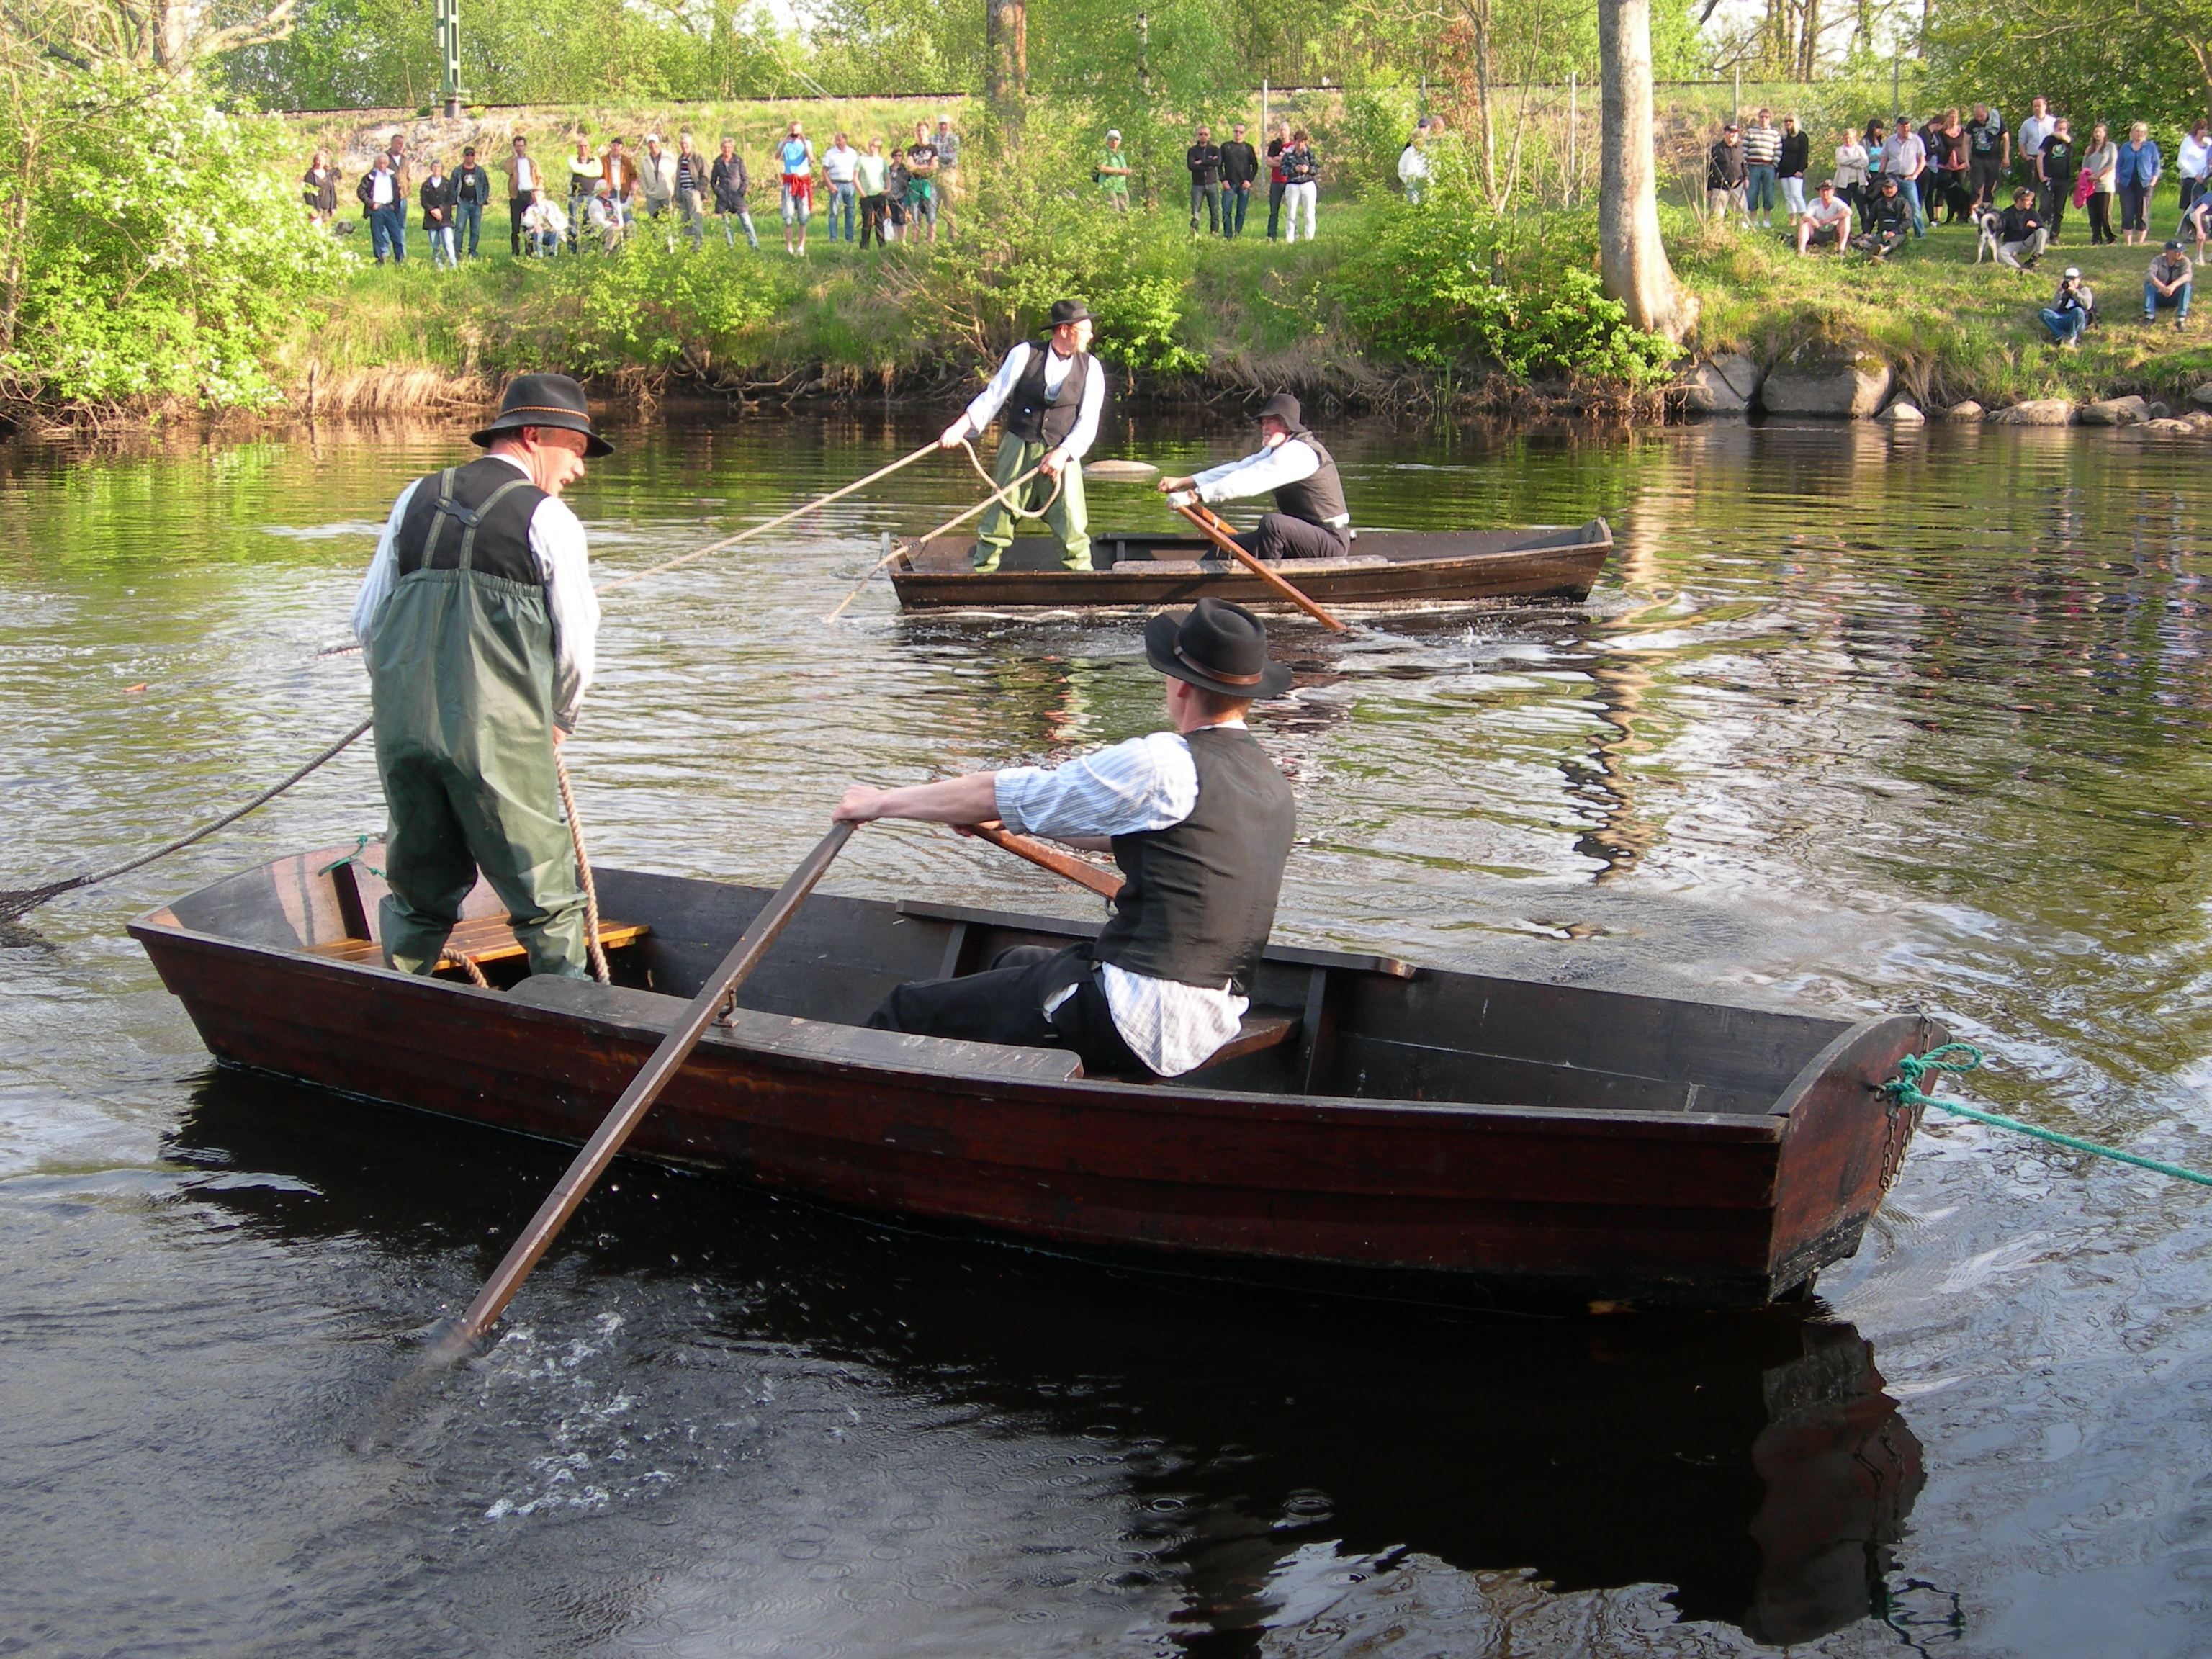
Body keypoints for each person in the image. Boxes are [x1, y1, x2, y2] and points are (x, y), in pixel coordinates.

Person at [833, 598, 1295, 1081]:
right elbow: (1122, 835)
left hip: (1136, 1018)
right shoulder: (1269, 781)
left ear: (1179, 685)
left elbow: (997, 791)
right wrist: (1010, 821)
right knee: (1019, 962)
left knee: (907, 1009)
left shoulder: (1164, 761)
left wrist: (877, 803)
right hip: (1211, 1017)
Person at [349, 374, 609, 981]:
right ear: (532, 435)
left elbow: (368, 621)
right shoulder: (550, 519)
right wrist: (560, 719)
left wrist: (405, 701)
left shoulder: (413, 497)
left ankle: (405, 997)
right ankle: (567, 1015)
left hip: (405, 734)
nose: (578, 469)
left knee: (418, 884)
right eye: (574, 449)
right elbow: (576, 646)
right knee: (544, 891)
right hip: (501, 739)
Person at [942, 298, 1105, 574]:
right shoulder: (1024, 354)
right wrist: (959, 429)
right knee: (998, 520)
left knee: (1073, 525)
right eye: (1085, 329)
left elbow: (1088, 423)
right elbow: (992, 397)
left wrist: (1063, 453)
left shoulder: (1092, 369)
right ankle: (982, 575)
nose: (1092, 336)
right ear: (1065, 330)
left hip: (1063, 454)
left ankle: (1082, 582)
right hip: (1018, 447)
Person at [1158, 393, 1352, 562]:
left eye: (1271, 422)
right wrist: (1184, 482)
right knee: (1223, 548)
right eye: (1263, 422)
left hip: (1330, 542)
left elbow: (1249, 480)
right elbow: (1240, 468)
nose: (1264, 427)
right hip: (1303, 538)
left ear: (1286, 425)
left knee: (1273, 524)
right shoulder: (1275, 450)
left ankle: (1263, 586)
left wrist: (1195, 496)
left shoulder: (1300, 453)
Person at [1881, 114, 1928, 237]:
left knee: (1914, 206)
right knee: (1890, 206)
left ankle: (1920, 234)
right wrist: (1880, 175)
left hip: (1908, 178)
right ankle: (1891, 231)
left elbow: (1922, 161)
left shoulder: (1917, 141)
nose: (1906, 130)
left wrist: (1915, 175)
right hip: (1892, 177)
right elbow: (1884, 159)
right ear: (1898, 127)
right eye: (1904, 127)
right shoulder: (1890, 141)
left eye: (1908, 127)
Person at [2118, 122, 2162, 245]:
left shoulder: (2150, 147)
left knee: (2143, 212)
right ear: (2132, 133)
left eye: (2142, 132)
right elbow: (2119, 164)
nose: (2139, 134)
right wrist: (2118, 178)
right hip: (2127, 183)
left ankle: (2141, 242)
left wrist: (2154, 179)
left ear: (2145, 134)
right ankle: (2128, 242)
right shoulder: (2126, 147)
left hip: (2145, 183)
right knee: (2127, 212)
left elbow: (2157, 164)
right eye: (2137, 131)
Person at [775, 122, 815, 254]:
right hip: (789, 182)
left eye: (797, 132)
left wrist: (803, 142)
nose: (795, 134)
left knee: (804, 216)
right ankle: (789, 247)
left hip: (802, 181)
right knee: (788, 216)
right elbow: (777, 156)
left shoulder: (807, 143)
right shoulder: (784, 143)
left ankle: (801, 246)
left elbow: (811, 159)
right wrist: (785, 142)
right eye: (793, 131)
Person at [1851, 176, 1913, 260]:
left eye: (1891, 188)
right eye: (1886, 188)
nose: (1889, 190)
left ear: (1896, 188)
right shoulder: (1878, 203)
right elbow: (1870, 220)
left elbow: (1908, 221)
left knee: (1892, 242)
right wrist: (1866, 232)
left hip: (1898, 234)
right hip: (1881, 234)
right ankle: (1874, 251)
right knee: (1857, 242)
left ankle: (1881, 253)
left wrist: (1894, 232)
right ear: (1883, 189)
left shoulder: (1903, 203)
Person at [711, 137, 757, 250]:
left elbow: (745, 179)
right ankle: (730, 246)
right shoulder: (718, 163)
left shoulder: (738, 161)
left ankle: (754, 244)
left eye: (729, 147)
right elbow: (713, 182)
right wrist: (719, 192)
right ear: (721, 148)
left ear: (732, 148)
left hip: (737, 196)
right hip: (723, 197)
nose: (727, 150)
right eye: (724, 147)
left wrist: (741, 191)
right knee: (726, 223)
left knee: (746, 221)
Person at [359, 153, 405, 264]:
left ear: (388, 163)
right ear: (377, 163)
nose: (383, 165)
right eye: (380, 163)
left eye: (385, 163)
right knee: (378, 236)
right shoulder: (371, 177)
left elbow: (397, 193)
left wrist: (395, 205)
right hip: (377, 209)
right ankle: (380, 260)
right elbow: (361, 191)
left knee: (397, 235)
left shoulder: (392, 177)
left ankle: (400, 261)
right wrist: (371, 203)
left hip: (389, 209)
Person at [2038, 117, 2076, 241]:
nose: (2061, 131)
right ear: (2054, 128)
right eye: (2059, 128)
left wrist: (2061, 135)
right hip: (2049, 178)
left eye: (2064, 129)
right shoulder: (2048, 140)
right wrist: (2041, 175)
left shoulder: (2068, 141)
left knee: (2059, 209)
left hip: (2063, 179)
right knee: (2045, 207)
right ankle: (2041, 234)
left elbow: (2068, 139)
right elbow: (2040, 157)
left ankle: (2054, 235)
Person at [1966, 103, 2010, 212]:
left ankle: (1988, 209)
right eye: (1977, 116)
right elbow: (1965, 142)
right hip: (1977, 158)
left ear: (1986, 112)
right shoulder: (1972, 124)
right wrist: (1966, 159)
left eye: (1981, 116)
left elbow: (2006, 139)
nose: (1979, 119)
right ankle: (1975, 212)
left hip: (1994, 159)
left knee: (1991, 186)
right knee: (1977, 186)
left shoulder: (1996, 122)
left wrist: (2006, 156)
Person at [638, 133, 679, 246]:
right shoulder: (645, 160)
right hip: (652, 196)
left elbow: (675, 175)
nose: (652, 145)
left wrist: (675, 191)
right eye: (650, 143)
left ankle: (672, 245)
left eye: (654, 142)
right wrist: (646, 192)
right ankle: (657, 245)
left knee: (670, 220)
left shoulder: (669, 157)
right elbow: (643, 178)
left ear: (658, 143)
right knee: (654, 222)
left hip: (667, 193)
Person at [503, 135, 540, 258]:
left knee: (529, 224)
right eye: (517, 146)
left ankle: (530, 250)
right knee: (515, 225)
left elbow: (539, 176)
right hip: (516, 195)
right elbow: (507, 170)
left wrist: (537, 191)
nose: (520, 149)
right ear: (514, 147)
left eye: (522, 146)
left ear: (525, 146)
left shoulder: (531, 161)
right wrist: (514, 157)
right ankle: (515, 251)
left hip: (529, 195)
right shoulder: (512, 161)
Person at [1280, 129, 1319, 243]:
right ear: (1295, 142)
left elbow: (1316, 168)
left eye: (1303, 142)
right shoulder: (1288, 154)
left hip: (1308, 183)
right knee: (1291, 212)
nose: (1300, 144)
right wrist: (1294, 169)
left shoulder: (1310, 154)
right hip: (1293, 184)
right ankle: (1291, 238)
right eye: (1298, 141)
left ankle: (1309, 238)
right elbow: (1282, 170)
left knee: (1309, 212)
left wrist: (1308, 170)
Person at [1743, 107, 1781, 228]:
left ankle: (1766, 220)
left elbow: (1778, 151)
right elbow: (1744, 150)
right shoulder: (1750, 132)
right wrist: (1746, 167)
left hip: (1768, 167)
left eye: (1766, 117)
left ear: (1770, 119)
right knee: (1752, 193)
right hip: (1753, 167)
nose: (1764, 119)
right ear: (1758, 118)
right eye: (1761, 117)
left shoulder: (1775, 134)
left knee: (1768, 193)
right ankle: (1753, 220)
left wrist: (1773, 165)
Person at [2083, 123, 2119, 245]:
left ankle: (2110, 237)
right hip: (2091, 186)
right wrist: (2089, 176)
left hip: (2105, 185)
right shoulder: (2089, 149)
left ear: (2104, 133)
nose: (2097, 134)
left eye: (2100, 132)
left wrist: (2099, 175)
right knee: (2093, 214)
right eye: (2095, 132)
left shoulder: (2110, 147)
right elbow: (2085, 166)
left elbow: (2112, 163)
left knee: (2104, 213)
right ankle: (2096, 237)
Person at [1932, 108, 1971, 222]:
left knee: (1959, 192)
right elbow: (1935, 146)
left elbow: (1966, 146)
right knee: (1941, 192)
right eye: (1951, 117)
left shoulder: (1963, 132)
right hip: (1945, 165)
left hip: (1960, 165)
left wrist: (1967, 160)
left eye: (1956, 117)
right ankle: (1937, 217)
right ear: (1947, 118)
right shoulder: (1940, 133)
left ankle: (1961, 216)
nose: (1953, 119)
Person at [565, 136, 603, 252]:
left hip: (591, 196)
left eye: (585, 146)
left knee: (589, 223)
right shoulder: (572, 159)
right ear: (577, 148)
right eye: (580, 146)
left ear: (589, 148)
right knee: (573, 223)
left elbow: (598, 172)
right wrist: (589, 170)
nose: (583, 149)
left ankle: (587, 250)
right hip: (575, 196)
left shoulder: (595, 160)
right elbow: (574, 168)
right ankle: (573, 251)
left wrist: (583, 170)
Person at [2040, 266, 2095, 346]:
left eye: (2073, 279)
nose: (2070, 282)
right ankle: (2061, 336)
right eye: (2068, 279)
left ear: (2078, 280)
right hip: (2064, 318)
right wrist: (2059, 293)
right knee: (2044, 313)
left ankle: (2072, 336)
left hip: (2078, 321)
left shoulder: (2084, 290)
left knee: (2078, 311)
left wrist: (2074, 292)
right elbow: (2053, 309)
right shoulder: (2063, 291)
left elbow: (2088, 305)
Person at [822, 130, 860, 243]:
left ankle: (849, 238)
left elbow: (857, 169)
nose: (837, 142)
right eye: (836, 140)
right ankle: (833, 238)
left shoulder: (852, 153)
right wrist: (830, 185)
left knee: (850, 213)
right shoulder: (830, 153)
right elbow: (824, 171)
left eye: (840, 140)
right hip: (836, 184)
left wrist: (855, 182)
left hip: (850, 184)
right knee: (834, 212)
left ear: (845, 140)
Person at [1994, 186, 2047, 268]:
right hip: (2012, 243)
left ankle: (2035, 257)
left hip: (2027, 243)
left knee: (2042, 232)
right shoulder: (2007, 213)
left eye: (2031, 200)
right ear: (2019, 201)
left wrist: (2035, 225)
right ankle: (2019, 268)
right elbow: (1999, 229)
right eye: (2028, 200)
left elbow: (2043, 226)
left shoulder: (2032, 212)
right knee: (2001, 252)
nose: (2031, 203)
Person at [452, 145, 491, 258]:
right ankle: (457, 251)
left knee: (475, 229)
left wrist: (483, 200)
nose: (470, 157)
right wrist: (454, 199)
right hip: (463, 202)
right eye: (467, 155)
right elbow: (452, 186)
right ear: (464, 156)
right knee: (459, 228)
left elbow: (486, 186)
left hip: (476, 203)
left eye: (472, 155)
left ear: (474, 156)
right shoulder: (458, 170)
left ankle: (472, 251)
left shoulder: (480, 171)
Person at [1797, 178, 1853, 255]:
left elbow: (1848, 211)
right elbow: (1805, 216)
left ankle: (1841, 249)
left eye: (1828, 190)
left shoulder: (1837, 202)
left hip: (1833, 231)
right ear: (1819, 192)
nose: (1825, 193)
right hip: (1817, 231)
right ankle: (1801, 251)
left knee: (1846, 219)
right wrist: (1812, 220)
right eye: (1823, 190)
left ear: (1833, 192)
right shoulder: (1814, 202)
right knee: (1804, 223)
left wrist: (1830, 219)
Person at [1220, 121, 1259, 235]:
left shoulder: (1248, 148)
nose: (1238, 134)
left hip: (1243, 185)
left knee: (1241, 211)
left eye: (1241, 132)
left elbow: (1255, 165)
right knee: (1226, 211)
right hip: (1229, 184)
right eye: (1236, 131)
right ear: (1233, 132)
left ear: (1244, 133)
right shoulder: (1226, 146)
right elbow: (1219, 165)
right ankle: (1228, 235)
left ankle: (1238, 232)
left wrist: (1249, 180)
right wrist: (1223, 180)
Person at [906, 124, 940, 243]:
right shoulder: (912, 149)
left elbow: (934, 166)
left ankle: (931, 240)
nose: (921, 133)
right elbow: (910, 166)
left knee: (931, 213)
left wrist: (918, 167)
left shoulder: (933, 149)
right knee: (915, 213)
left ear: (928, 132)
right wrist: (924, 167)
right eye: (918, 130)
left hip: (929, 183)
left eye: (923, 130)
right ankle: (915, 241)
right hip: (915, 183)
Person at [1707, 122, 1748, 223]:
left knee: (1742, 212)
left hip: (1737, 185)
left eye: (1735, 133)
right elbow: (1709, 170)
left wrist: (1746, 178)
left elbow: (1744, 165)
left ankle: (1743, 233)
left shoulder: (1740, 149)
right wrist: (1708, 188)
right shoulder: (1716, 149)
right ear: (1725, 133)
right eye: (1730, 132)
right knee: (1717, 215)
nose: (1732, 135)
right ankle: (1717, 233)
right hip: (1720, 186)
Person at [421, 157, 457, 269]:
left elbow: (452, 199)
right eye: (434, 167)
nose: (437, 169)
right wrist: (432, 210)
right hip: (431, 219)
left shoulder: (448, 183)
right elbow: (423, 201)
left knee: (448, 243)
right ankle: (439, 267)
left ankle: (453, 266)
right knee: (435, 245)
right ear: (431, 168)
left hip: (445, 218)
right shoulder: (426, 185)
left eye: (439, 167)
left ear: (442, 169)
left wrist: (440, 209)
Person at [1187, 123, 1224, 234]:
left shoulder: (1215, 149)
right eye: (1201, 134)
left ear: (1209, 136)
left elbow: (1217, 163)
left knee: (1215, 210)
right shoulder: (1193, 150)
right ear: (1198, 136)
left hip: (1212, 184)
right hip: (1197, 185)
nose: (1203, 136)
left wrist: (1201, 162)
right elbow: (1191, 166)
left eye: (1206, 134)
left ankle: (1214, 232)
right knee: (1195, 211)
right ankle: (1194, 233)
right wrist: (1209, 163)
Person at [2146, 239, 2192, 327]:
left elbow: (2187, 275)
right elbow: (2149, 274)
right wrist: (2162, 287)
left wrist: (2173, 285)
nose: (2180, 254)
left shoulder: (2185, 261)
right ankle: (2149, 316)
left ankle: (2181, 318)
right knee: (2148, 284)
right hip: (2159, 295)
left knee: (2187, 286)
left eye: (2181, 252)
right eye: (2177, 252)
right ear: (2168, 252)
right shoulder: (2158, 260)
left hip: (2175, 297)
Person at [1833, 126, 1872, 230]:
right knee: (1845, 209)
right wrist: (1856, 159)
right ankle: (1846, 232)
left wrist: (1850, 162)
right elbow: (1841, 161)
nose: (1848, 140)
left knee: (1863, 209)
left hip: (1859, 183)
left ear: (1855, 138)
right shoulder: (1840, 150)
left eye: (1850, 138)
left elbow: (1864, 162)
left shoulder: (1860, 149)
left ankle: (1866, 232)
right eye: (1846, 138)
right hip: (1844, 184)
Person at [856, 138, 890, 247]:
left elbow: (887, 177)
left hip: (879, 194)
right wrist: (862, 193)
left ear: (879, 148)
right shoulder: (861, 160)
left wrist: (888, 189)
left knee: (880, 221)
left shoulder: (882, 161)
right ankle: (864, 245)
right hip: (866, 195)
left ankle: (882, 244)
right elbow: (855, 177)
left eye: (875, 146)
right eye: (871, 145)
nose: (872, 148)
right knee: (867, 221)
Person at [1777, 114, 1809, 222]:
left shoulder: (1802, 136)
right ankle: (1792, 220)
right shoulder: (1783, 137)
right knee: (1788, 196)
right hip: (1784, 171)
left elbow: (1804, 154)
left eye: (1790, 121)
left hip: (1796, 171)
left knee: (1796, 194)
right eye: (1786, 121)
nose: (1788, 123)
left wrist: (1801, 169)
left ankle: (1804, 218)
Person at [601, 136, 638, 230]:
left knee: (627, 215)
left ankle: (628, 240)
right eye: (614, 145)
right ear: (611, 146)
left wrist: (630, 188)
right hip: (610, 190)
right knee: (612, 217)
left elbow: (633, 175)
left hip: (622, 192)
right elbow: (600, 175)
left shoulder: (626, 160)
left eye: (618, 146)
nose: (616, 148)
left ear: (621, 147)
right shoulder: (604, 160)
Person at [2018, 96, 2055, 186]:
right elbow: (2022, 142)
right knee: (2031, 186)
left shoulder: (2053, 122)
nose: (2036, 108)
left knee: (2048, 186)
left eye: (2039, 106)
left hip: (2049, 158)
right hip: (2032, 158)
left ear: (2045, 106)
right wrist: (2025, 156)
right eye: (2034, 106)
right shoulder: (2027, 124)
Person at [1265, 118, 1292, 239]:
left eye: (1285, 130)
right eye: (1281, 130)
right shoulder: (1274, 145)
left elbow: (1293, 162)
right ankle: (1271, 235)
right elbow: (1269, 162)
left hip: (1290, 182)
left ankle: (1291, 234)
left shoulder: (1293, 146)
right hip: (1276, 182)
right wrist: (1283, 161)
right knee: (1274, 210)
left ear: (1289, 132)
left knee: (1291, 209)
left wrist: (1278, 160)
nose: (1282, 132)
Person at [2180, 119, 2211, 218]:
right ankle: (2186, 226)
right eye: (2202, 129)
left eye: (2206, 130)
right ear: (2196, 130)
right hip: (2190, 178)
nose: (2204, 132)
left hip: (2204, 179)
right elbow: (2182, 161)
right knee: (2189, 204)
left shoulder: (2209, 143)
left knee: (2202, 204)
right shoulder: (2188, 142)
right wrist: (2195, 175)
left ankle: (2199, 225)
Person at [521, 188, 566, 256]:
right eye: (534, 196)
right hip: (538, 232)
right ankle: (539, 255)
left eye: (538, 195)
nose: (536, 197)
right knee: (538, 231)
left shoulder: (552, 205)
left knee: (556, 232)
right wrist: (535, 225)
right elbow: (526, 220)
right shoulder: (531, 208)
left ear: (543, 196)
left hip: (551, 231)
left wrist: (556, 227)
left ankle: (553, 253)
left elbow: (563, 219)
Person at [1096, 128, 1132, 211]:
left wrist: (1127, 171)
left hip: (1121, 187)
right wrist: (1120, 171)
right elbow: (1101, 168)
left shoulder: (1121, 153)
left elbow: (1123, 168)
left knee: (1126, 212)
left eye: (1116, 139)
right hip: (1109, 187)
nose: (1114, 141)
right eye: (1111, 139)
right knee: (1114, 212)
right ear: (1107, 141)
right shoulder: (1104, 153)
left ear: (1120, 141)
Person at [583, 180, 624, 253]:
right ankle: (606, 254)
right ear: (603, 191)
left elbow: (625, 207)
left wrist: (632, 194)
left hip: (618, 227)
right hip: (603, 230)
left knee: (631, 224)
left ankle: (629, 252)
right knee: (614, 230)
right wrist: (614, 225)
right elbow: (600, 222)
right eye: (607, 187)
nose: (609, 189)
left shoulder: (611, 202)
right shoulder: (595, 204)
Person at [302, 148, 338, 228]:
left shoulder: (328, 175)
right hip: (316, 209)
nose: (320, 163)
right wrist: (312, 209)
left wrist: (333, 207)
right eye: (318, 160)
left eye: (322, 160)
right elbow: (307, 194)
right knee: (315, 232)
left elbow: (332, 192)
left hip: (327, 210)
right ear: (314, 161)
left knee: (326, 232)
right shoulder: (310, 175)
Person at [1397, 122, 1430, 205]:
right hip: (1412, 186)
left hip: (1424, 184)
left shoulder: (1426, 152)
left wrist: (1429, 180)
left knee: (1426, 207)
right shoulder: (1408, 152)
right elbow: (1401, 169)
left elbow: (1431, 167)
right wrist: (1408, 182)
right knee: (1414, 208)